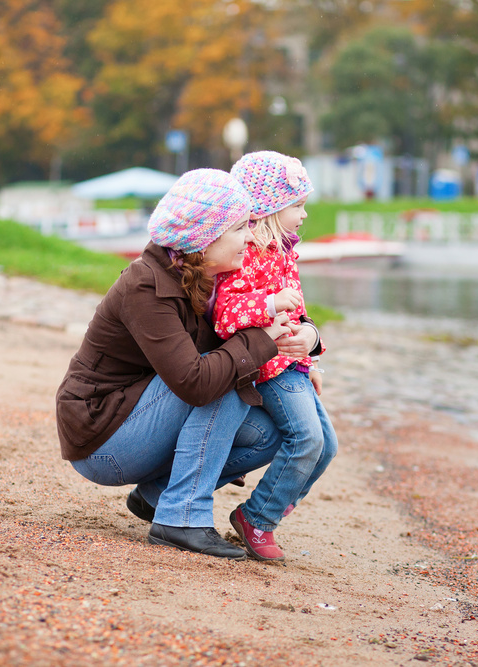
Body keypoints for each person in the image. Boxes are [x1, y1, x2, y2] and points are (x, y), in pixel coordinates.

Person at [55, 168, 321, 560]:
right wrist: (263, 340)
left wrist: (307, 339)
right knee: (223, 377)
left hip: (142, 416)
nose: (249, 237)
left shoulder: (211, 277)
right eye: (238, 229)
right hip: (103, 437)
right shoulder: (146, 284)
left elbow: (278, 305)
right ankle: (181, 517)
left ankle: (158, 496)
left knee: (272, 431)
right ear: (204, 238)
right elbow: (194, 383)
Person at [213, 151, 338, 561]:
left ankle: (266, 510)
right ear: (267, 207)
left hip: (292, 364)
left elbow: (297, 313)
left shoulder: (284, 249)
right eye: (297, 205)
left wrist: (311, 355)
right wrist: (268, 304)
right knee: (306, 439)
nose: (304, 214)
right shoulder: (244, 253)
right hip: (267, 367)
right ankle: (258, 519)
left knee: (328, 446)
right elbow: (225, 315)